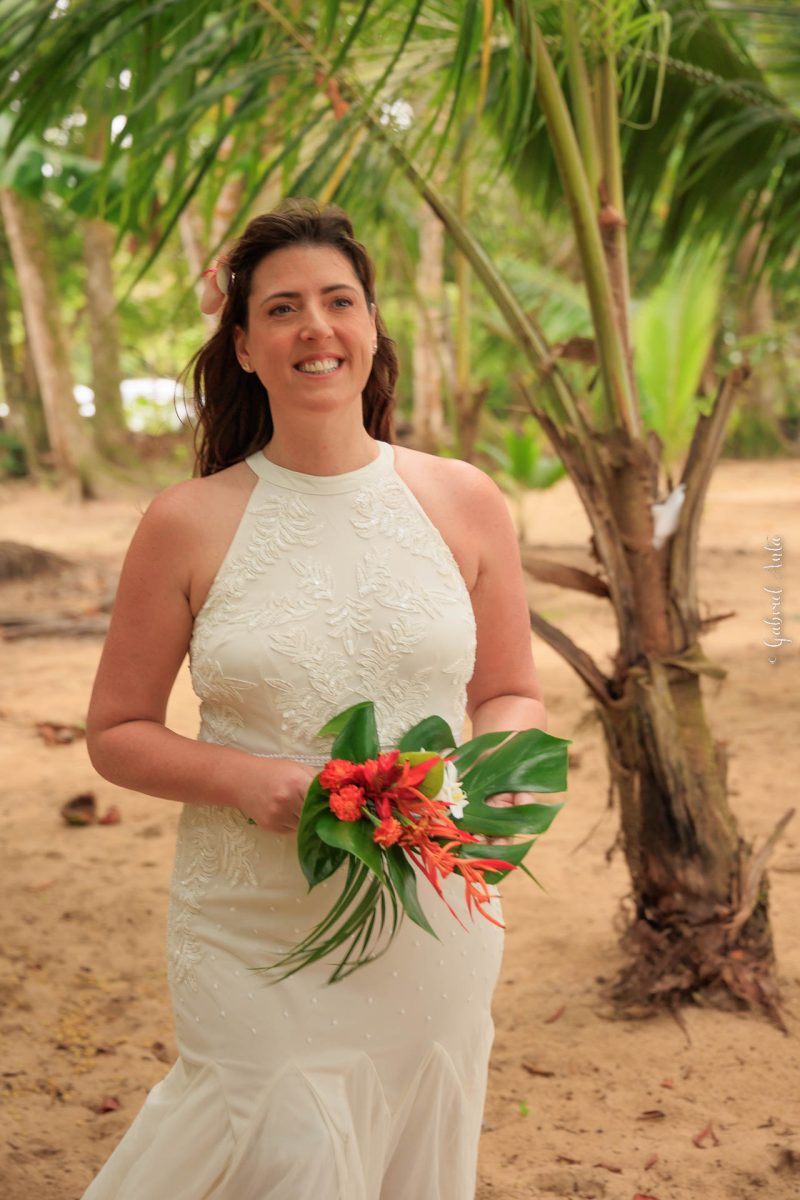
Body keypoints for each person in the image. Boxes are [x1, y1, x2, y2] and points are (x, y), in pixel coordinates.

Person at [83, 197, 547, 1200]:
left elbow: (509, 692)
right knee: (283, 1151)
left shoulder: (462, 499)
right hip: (253, 928)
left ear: (371, 327)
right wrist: (245, 779)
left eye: (338, 300)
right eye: (282, 307)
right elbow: (115, 733)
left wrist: (488, 794)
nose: (315, 327)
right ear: (244, 345)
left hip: (432, 916)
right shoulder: (187, 521)